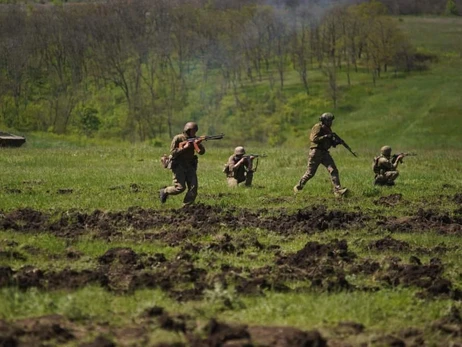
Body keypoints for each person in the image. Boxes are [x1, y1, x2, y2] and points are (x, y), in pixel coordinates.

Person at [293, 112, 348, 197]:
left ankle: (338, 190)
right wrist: (326, 136)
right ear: (324, 121)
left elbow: (330, 143)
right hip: (316, 152)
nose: (330, 123)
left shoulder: (328, 129)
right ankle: (298, 187)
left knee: (333, 170)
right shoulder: (318, 127)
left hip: (325, 153)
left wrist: (336, 142)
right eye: (329, 121)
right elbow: (314, 139)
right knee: (310, 173)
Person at [159, 121, 205, 205]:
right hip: (179, 165)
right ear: (187, 130)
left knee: (193, 187)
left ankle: (186, 206)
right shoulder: (178, 138)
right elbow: (173, 153)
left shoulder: (195, 139)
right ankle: (165, 191)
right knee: (180, 188)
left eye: (195, 131)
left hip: (190, 165)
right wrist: (185, 147)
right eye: (193, 131)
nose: (194, 133)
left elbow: (201, 152)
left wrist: (198, 144)